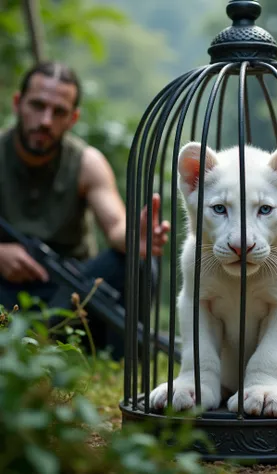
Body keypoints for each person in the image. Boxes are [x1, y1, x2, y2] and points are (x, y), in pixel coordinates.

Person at [0, 60, 170, 355]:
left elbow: (116, 225)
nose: (45, 120)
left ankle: (118, 361)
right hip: (5, 291)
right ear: (18, 103)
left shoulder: (87, 163)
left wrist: (135, 236)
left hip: (71, 293)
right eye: (37, 106)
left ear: (73, 118)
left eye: (59, 112)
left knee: (138, 262)